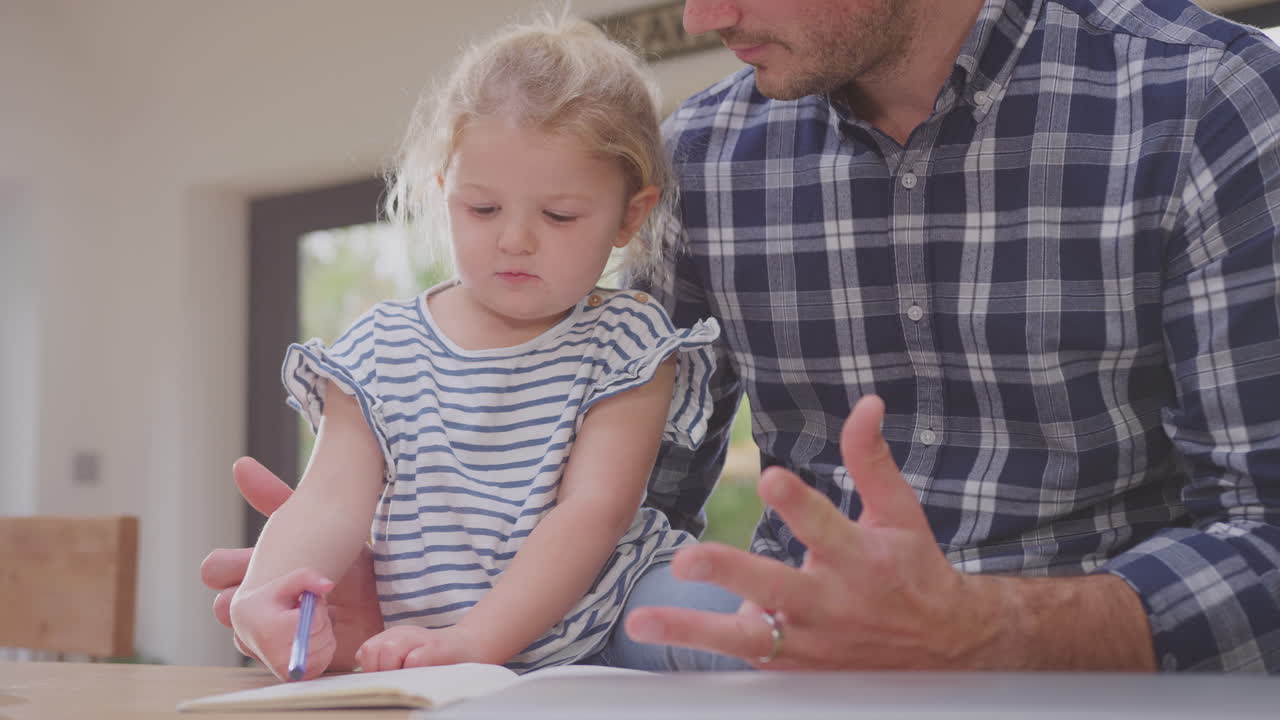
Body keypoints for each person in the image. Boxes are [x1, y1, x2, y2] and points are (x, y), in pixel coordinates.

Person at [207, 0, 1280, 674]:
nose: (700, 12)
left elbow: (1263, 533)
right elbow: (637, 512)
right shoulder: (708, 160)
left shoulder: (1203, 102)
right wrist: (370, 583)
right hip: (774, 673)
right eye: (483, 209)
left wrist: (988, 631)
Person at [223, 13, 724, 680]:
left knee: (742, 623)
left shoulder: (629, 341)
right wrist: (262, 594)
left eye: (559, 215)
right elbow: (327, 502)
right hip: (438, 642)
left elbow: (593, 514)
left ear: (630, 215)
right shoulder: (380, 348)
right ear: (444, 194)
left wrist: (474, 640)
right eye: (482, 210)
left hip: (614, 606)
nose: (515, 240)